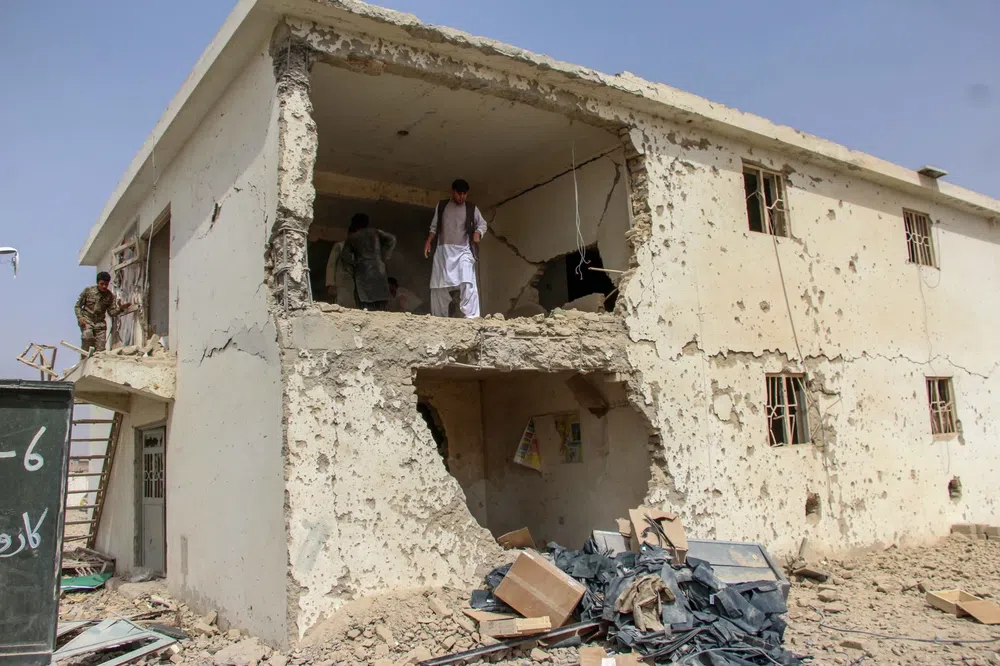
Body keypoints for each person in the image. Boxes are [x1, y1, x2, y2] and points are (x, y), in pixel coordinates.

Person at [423, 178, 487, 318]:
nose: (461, 197)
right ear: (452, 192)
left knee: (467, 280)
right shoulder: (442, 206)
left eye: (464, 194)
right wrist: (428, 242)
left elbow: (482, 224)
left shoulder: (471, 208)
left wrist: (478, 232)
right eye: (459, 193)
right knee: (439, 285)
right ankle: (439, 317)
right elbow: (434, 227)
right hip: (443, 251)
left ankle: (471, 317)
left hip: (464, 250)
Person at [341, 213, 397, 311]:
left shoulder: (352, 237)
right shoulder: (375, 232)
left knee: (364, 300)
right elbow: (392, 239)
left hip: (363, 269)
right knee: (380, 297)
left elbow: (345, 258)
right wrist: (384, 256)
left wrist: (353, 269)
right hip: (379, 267)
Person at [74, 271, 126, 353]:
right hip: (88, 320)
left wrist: (120, 309)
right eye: (102, 284)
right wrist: (80, 317)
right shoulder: (88, 291)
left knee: (101, 349)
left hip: (100, 323)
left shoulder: (110, 296)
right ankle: (84, 357)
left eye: (106, 284)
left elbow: (111, 313)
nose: (104, 286)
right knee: (87, 337)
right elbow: (77, 306)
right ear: (97, 282)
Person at [324, 237, 356, 309]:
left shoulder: (359, 247)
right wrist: (330, 283)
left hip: (355, 282)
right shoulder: (340, 245)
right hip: (341, 281)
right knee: (343, 303)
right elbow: (331, 265)